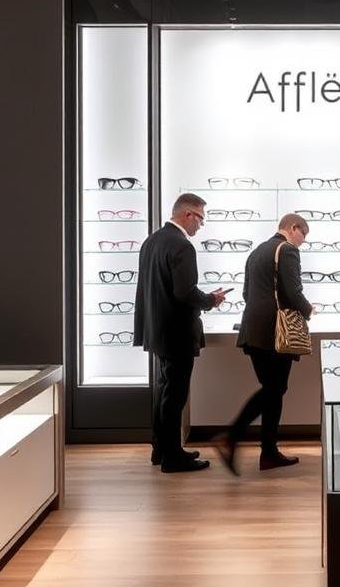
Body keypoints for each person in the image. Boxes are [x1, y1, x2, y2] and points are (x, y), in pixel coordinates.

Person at [133, 193, 226, 473]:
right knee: (175, 395)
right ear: (188, 215)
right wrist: (210, 300)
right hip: (176, 331)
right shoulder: (182, 246)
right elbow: (184, 291)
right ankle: (173, 458)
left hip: (157, 329)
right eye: (201, 219)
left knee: (164, 390)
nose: (200, 225)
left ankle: (162, 449)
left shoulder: (152, 241)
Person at [217, 213, 313, 473]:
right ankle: (232, 436)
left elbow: (248, 293)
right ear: (294, 228)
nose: (303, 242)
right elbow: (294, 292)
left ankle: (268, 453)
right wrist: (309, 310)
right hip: (276, 333)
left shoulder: (258, 251)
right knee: (274, 389)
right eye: (304, 235)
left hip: (253, 330)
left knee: (273, 389)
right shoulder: (288, 250)